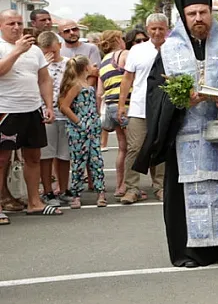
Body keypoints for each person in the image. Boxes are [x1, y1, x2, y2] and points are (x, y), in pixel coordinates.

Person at [133, 0, 218, 268]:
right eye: (192, 13)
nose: (198, 18)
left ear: (211, 13)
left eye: (203, 12)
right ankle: (193, 253)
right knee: (186, 194)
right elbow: (155, 92)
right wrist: (179, 100)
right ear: (184, 17)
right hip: (185, 136)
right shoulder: (169, 51)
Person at [0, 9, 59, 218]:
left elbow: (44, 78)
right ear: (1, 26)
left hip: (32, 109)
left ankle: (35, 202)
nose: (16, 27)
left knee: (33, 156)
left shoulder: (34, 50)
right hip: (6, 109)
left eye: (18, 23)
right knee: (2, 158)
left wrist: (49, 105)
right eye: (10, 24)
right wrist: (16, 51)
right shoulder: (4, 47)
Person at [118, 13, 168, 203]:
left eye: (160, 28)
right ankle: (132, 188)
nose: (157, 32)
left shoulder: (173, 49)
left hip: (163, 107)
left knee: (160, 147)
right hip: (139, 108)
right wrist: (122, 104)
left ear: (166, 29)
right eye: (153, 29)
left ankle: (161, 186)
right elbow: (127, 78)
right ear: (148, 30)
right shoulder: (137, 51)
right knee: (135, 148)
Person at [58, 57, 106, 208]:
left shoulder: (88, 85)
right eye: (91, 65)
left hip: (92, 128)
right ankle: (76, 194)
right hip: (79, 130)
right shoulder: (76, 85)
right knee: (79, 162)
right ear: (85, 68)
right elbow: (64, 106)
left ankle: (100, 192)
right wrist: (79, 122)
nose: (94, 66)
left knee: (96, 160)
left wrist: (96, 118)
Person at [37, 31, 70, 206]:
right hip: (45, 114)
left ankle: (64, 188)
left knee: (64, 155)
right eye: (46, 52)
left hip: (66, 115)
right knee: (46, 155)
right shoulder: (39, 65)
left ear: (60, 46)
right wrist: (43, 65)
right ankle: (48, 191)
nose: (51, 55)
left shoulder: (68, 64)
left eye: (54, 51)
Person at [97, 30, 130, 198]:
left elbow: (99, 92)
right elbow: (131, 75)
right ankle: (128, 185)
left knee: (122, 148)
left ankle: (119, 185)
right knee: (132, 147)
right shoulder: (124, 54)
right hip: (125, 105)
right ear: (118, 40)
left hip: (110, 105)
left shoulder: (103, 62)